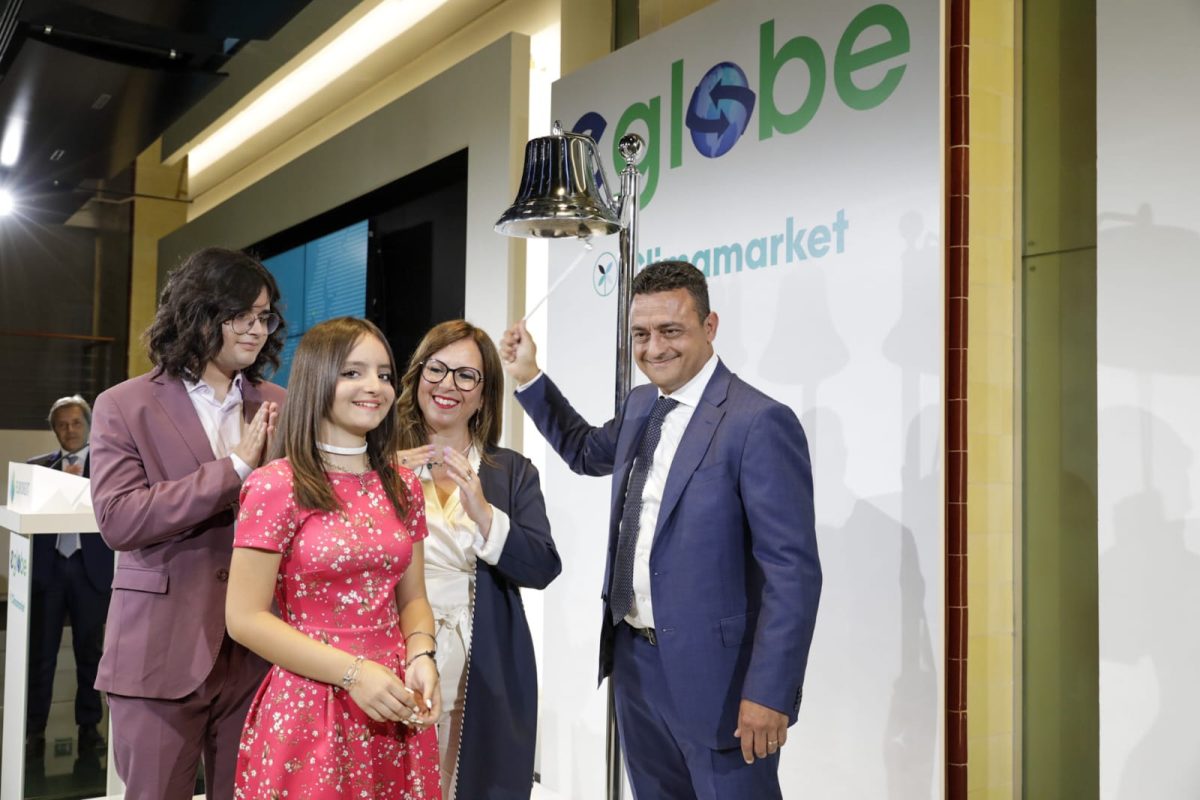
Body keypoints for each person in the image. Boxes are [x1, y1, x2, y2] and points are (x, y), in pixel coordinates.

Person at [500, 260, 822, 800]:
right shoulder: (641, 405)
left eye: (671, 330)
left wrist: (771, 691)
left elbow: (793, 574)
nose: (653, 348)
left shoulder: (758, 421)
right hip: (635, 662)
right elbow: (584, 451)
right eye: (641, 334)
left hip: (721, 679)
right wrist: (530, 376)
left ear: (709, 326)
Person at [89, 247, 286, 800]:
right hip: (160, 652)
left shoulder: (279, 403)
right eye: (240, 316)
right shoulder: (123, 405)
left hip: (257, 652)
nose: (256, 330)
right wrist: (234, 470)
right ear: (198, 313)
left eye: (264, 317)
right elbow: (119, 518)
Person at [225, 316, 441, 799]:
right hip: (311, 700)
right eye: (353, 373)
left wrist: (422, 655)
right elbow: (243, 618)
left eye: (384, 375)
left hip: (393, 699)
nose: (375, 387)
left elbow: (412, 598)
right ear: (318, 378)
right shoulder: (276, 484)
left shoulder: (403, 484)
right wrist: (354, 673)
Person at [394, 320, 560, 799]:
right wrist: (379, 477)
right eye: (437, 369)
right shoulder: (380, 461)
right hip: (397, 654)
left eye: (466, 376)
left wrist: (485, 515)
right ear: (417, 376)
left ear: (484, 395)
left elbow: (543, 567)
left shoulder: (511, 471)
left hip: (487, 663)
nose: (448, 385)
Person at [25, 395, 113, 764]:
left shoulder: (109, 467)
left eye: (76, 423)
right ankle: (34, 730)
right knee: (41, 656)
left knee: (90, 655)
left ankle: (89, 728)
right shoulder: (38, 468)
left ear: (88, 427)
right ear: (54, 430)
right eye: (62, 424)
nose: (69, 430)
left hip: (90, 569)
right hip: (49, 572)